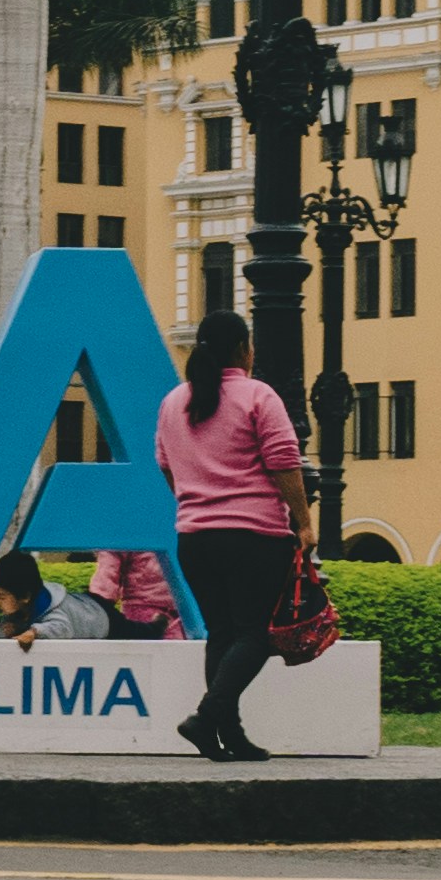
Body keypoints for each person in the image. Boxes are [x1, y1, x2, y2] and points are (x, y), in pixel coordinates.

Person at [155, 305, 307, 766]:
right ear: (244, 349)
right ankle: (208, 716)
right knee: (257, 634)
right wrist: (302, 521)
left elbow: (166, 465)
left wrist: (198, 498)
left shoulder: (172, 402)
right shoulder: (258, 396)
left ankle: (229, 734)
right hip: (254, 535)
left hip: (195, 538)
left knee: (221, 634)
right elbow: (284, 460)